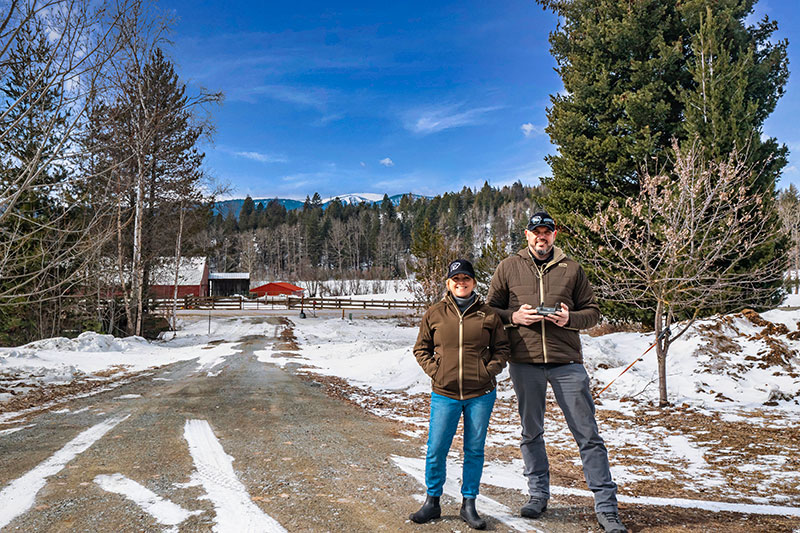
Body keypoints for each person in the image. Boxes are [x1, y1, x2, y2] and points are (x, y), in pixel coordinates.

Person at [487, 212, 627, 533]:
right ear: (526, 235)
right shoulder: (508, 267)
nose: (541, 237)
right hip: (525, 361)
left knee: (588, 434)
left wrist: (569, 319)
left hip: (567, 363)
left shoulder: (572, 269)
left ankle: (606, 507)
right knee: (531, 432)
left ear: (554, 235)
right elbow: (490, 311)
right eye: (536, 232)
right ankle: (537, 495)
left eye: (547, 232)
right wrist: (514, 317)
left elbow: (592, 312)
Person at [410, 259, 510, 530]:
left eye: (466, 278)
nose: (461, 283)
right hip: (445, 393)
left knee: (474, 450)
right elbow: (421, 348)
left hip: (481, 394)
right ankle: (432, 502)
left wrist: (488, 371)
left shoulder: (488, 314)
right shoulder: (435, 313)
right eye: (456, 279)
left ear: (474, 282)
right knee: (436, 448)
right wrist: (437, 371)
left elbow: (502, 348)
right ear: (449, 283)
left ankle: (469, 504)